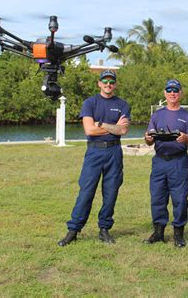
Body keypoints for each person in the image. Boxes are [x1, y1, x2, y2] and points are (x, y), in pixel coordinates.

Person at [58, 70, 130, 246]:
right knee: (86, 191)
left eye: (111, 81)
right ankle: (73, 230)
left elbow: (123, 131)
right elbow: (89, 130)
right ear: (99, 83)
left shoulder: (123, 104)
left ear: (115, 84)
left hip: (114, 152)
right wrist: (113, 127)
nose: (108, 84)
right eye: (104, 81)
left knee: (111, 192)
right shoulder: (90, 103)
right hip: (94, 152)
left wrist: (100, 124)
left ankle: (104, 229)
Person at [143, 79, 188, 247]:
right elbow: (148, 140)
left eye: (175, 90)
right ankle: (158, 232)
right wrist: (148, 138)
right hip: (160, 161)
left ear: (180, 93)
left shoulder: (187, 116)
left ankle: (178, 234)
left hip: (178, 162)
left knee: (180, 198)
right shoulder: (157, 115)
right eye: (169, 90)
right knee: (157, 197)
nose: (172, 93)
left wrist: (184, 137)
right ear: (165, 93)